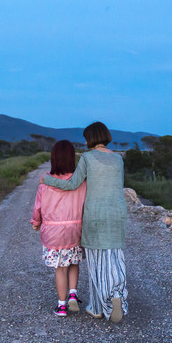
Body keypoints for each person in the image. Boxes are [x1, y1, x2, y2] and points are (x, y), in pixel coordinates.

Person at [41, 121, 128, 322]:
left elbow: (72, 184)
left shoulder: (88, 158)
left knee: (97, 262)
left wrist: (48, 180)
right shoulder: (118, 159)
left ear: (90, 138)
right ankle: (117, 295)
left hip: (95, 215)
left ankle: (98, 307)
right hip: (117, 214)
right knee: (115, 257)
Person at [31, 140, 87, 317]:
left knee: (60, 267)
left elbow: (38, 207)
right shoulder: (81, 182)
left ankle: (62, 306)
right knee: (73, 262)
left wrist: (35, 222)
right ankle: (73, 294)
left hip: (53, 233)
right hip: (75, 230)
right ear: (72, 158)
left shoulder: (45, 181)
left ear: (53, 158)